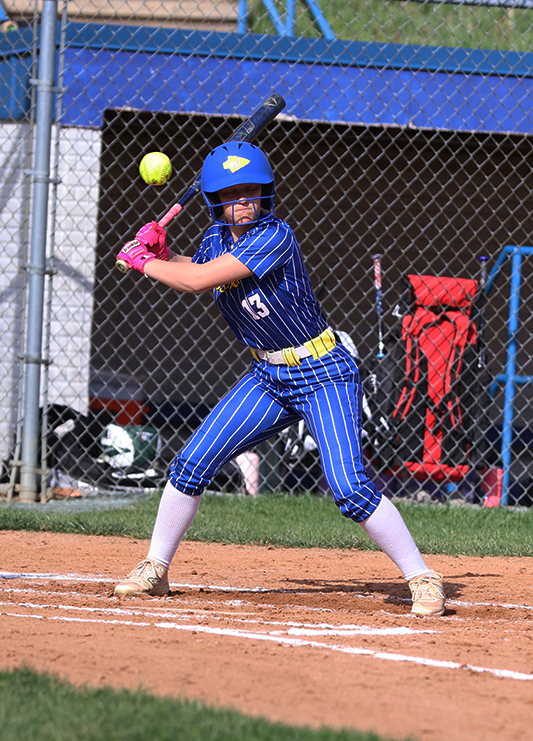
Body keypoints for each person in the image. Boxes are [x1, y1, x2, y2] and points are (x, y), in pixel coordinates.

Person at [114, 141, 446, 617]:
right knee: (191, 463)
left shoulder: (275, 236)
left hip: (323, 372)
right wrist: (163, 252)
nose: (244, 200)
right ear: (215, 200)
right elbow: (198, 268)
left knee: (349, 488)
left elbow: (196, 282)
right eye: (233, 194)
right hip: (269, 375)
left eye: (251, 190)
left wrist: (144, 260)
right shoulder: (215, 239)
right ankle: (155, 568)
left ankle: (422, 576)